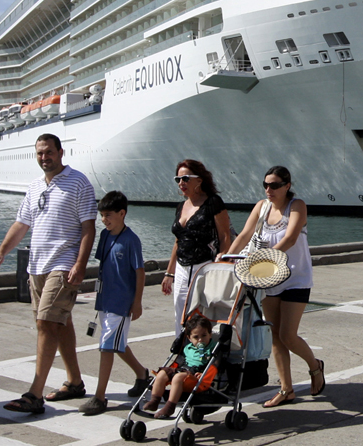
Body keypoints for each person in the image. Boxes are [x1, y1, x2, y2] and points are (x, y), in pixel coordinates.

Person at [0, 134, 97, 414]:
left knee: (45, 323)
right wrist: (2, 251)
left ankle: (34, 394)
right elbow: (22, 223)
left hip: (63, 263)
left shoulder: (79, 182)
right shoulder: (35, 186)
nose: (44, 157)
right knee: (58, 323)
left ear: (61, 152)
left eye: (48, 152)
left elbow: (89, 228)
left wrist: (80, 264)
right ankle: (74, 382)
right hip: (36, 265)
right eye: (39, 153)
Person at [224, 166, 323, 408]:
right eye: (266, 185)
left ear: (287, 185)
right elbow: (246, 234)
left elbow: (290, 238)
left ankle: (314, 365)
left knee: (288, 335)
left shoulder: (297, 206)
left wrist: (261, 260)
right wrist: (229, 254)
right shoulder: (262, 207)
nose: (269, 190)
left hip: (296, 278)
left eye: (275, 185)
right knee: (276, 337)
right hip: (268, 280)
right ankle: (286, 389)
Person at [80, 191, 149, 415]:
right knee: (115, 342)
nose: (104, 220)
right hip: (105, 299)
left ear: (122, 213)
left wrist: (137, 302)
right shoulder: (105, 235)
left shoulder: (132, 240)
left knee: (107, 345)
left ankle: (100, 397)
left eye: (108, 215)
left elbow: (140, 272)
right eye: (102, 215)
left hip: (121, 302)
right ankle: (142, 374)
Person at [164, 159, 231, 336]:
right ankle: (181, 352)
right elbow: (179, 240)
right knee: (180, 312)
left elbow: (224, 235)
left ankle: (200, 353)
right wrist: (169, 273)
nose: (181, 183)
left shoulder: (213, 202)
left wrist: (223, 261)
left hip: (203, 266)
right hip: (181, 268)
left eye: (185, 178)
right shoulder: (181, 206)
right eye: (178, 179)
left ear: (199, 180)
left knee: (199, 314)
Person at [145, 315, 219, 419]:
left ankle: (170, 407)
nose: (200, 340)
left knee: (178, 377)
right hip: (182, 368)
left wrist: (204, 374)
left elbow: (215, 365)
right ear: (189, 338)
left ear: (210, 335)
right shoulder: (188, 347)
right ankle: (154, 400)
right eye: (196, 337)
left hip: (195, 374)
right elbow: (181, 361)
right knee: (162, 373)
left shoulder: (213, 348)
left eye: (204, 335)